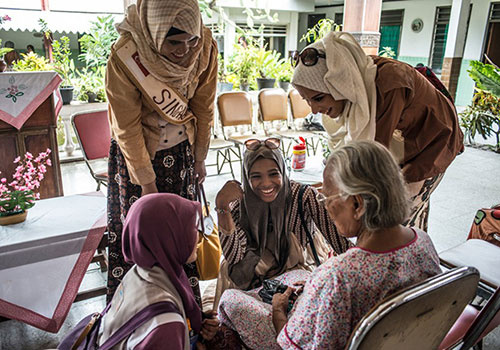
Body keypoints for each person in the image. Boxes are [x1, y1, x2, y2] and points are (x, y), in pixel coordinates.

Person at [218, 141, 442, 350]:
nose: (327, 208)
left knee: (229, 299)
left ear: (357, 204)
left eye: (328, 198)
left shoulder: (336, 275)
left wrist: (278, 310)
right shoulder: (422, 242)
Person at [291, 31, 464, 232]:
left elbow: (373, 160)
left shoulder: (388, 85)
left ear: (340, 86)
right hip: (402, 143)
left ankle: (407, 255)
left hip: (432, 145)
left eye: (319, 98)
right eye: (307, 100)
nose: (313, 109)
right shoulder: (354, 79)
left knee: (393, 216)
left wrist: (339, 191)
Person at [105, 0, 218, 302]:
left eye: (190, 40)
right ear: (155, 32)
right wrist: (147, 184)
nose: (184, 50)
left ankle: (184, 309)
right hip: (137, 161)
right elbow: (126, 127)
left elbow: (203, 107)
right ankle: (135, 312)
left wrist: (200, 158)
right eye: (174, 41)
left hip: (181, 154)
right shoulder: (127, 56)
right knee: (142, 237)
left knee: (180, 238)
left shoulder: (204, 47)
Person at [97, 193, 219, 349]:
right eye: (192, 229)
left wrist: (192, 320)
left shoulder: (139, 272)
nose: (199, 236)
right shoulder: (166, 324)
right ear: (169, 237)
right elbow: (162, 329)